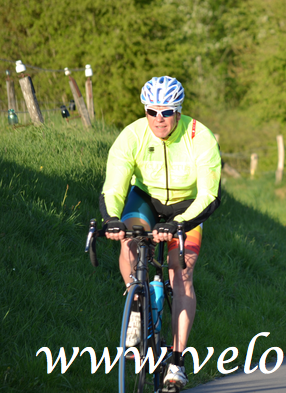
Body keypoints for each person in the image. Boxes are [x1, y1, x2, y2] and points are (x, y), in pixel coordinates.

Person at [100, 76, 222, 388]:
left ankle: (177, 361)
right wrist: (111, 218)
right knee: (129, 240)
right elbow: (114, 186)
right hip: (145, 200)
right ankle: (136, 306)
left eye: (166, 112)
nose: (158, 119)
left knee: (182, 275)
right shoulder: (132, 136)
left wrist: (179, 224)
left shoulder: (200, 136)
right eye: (151, 111)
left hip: (187, 206)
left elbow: (209, 195)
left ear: (178, 112)